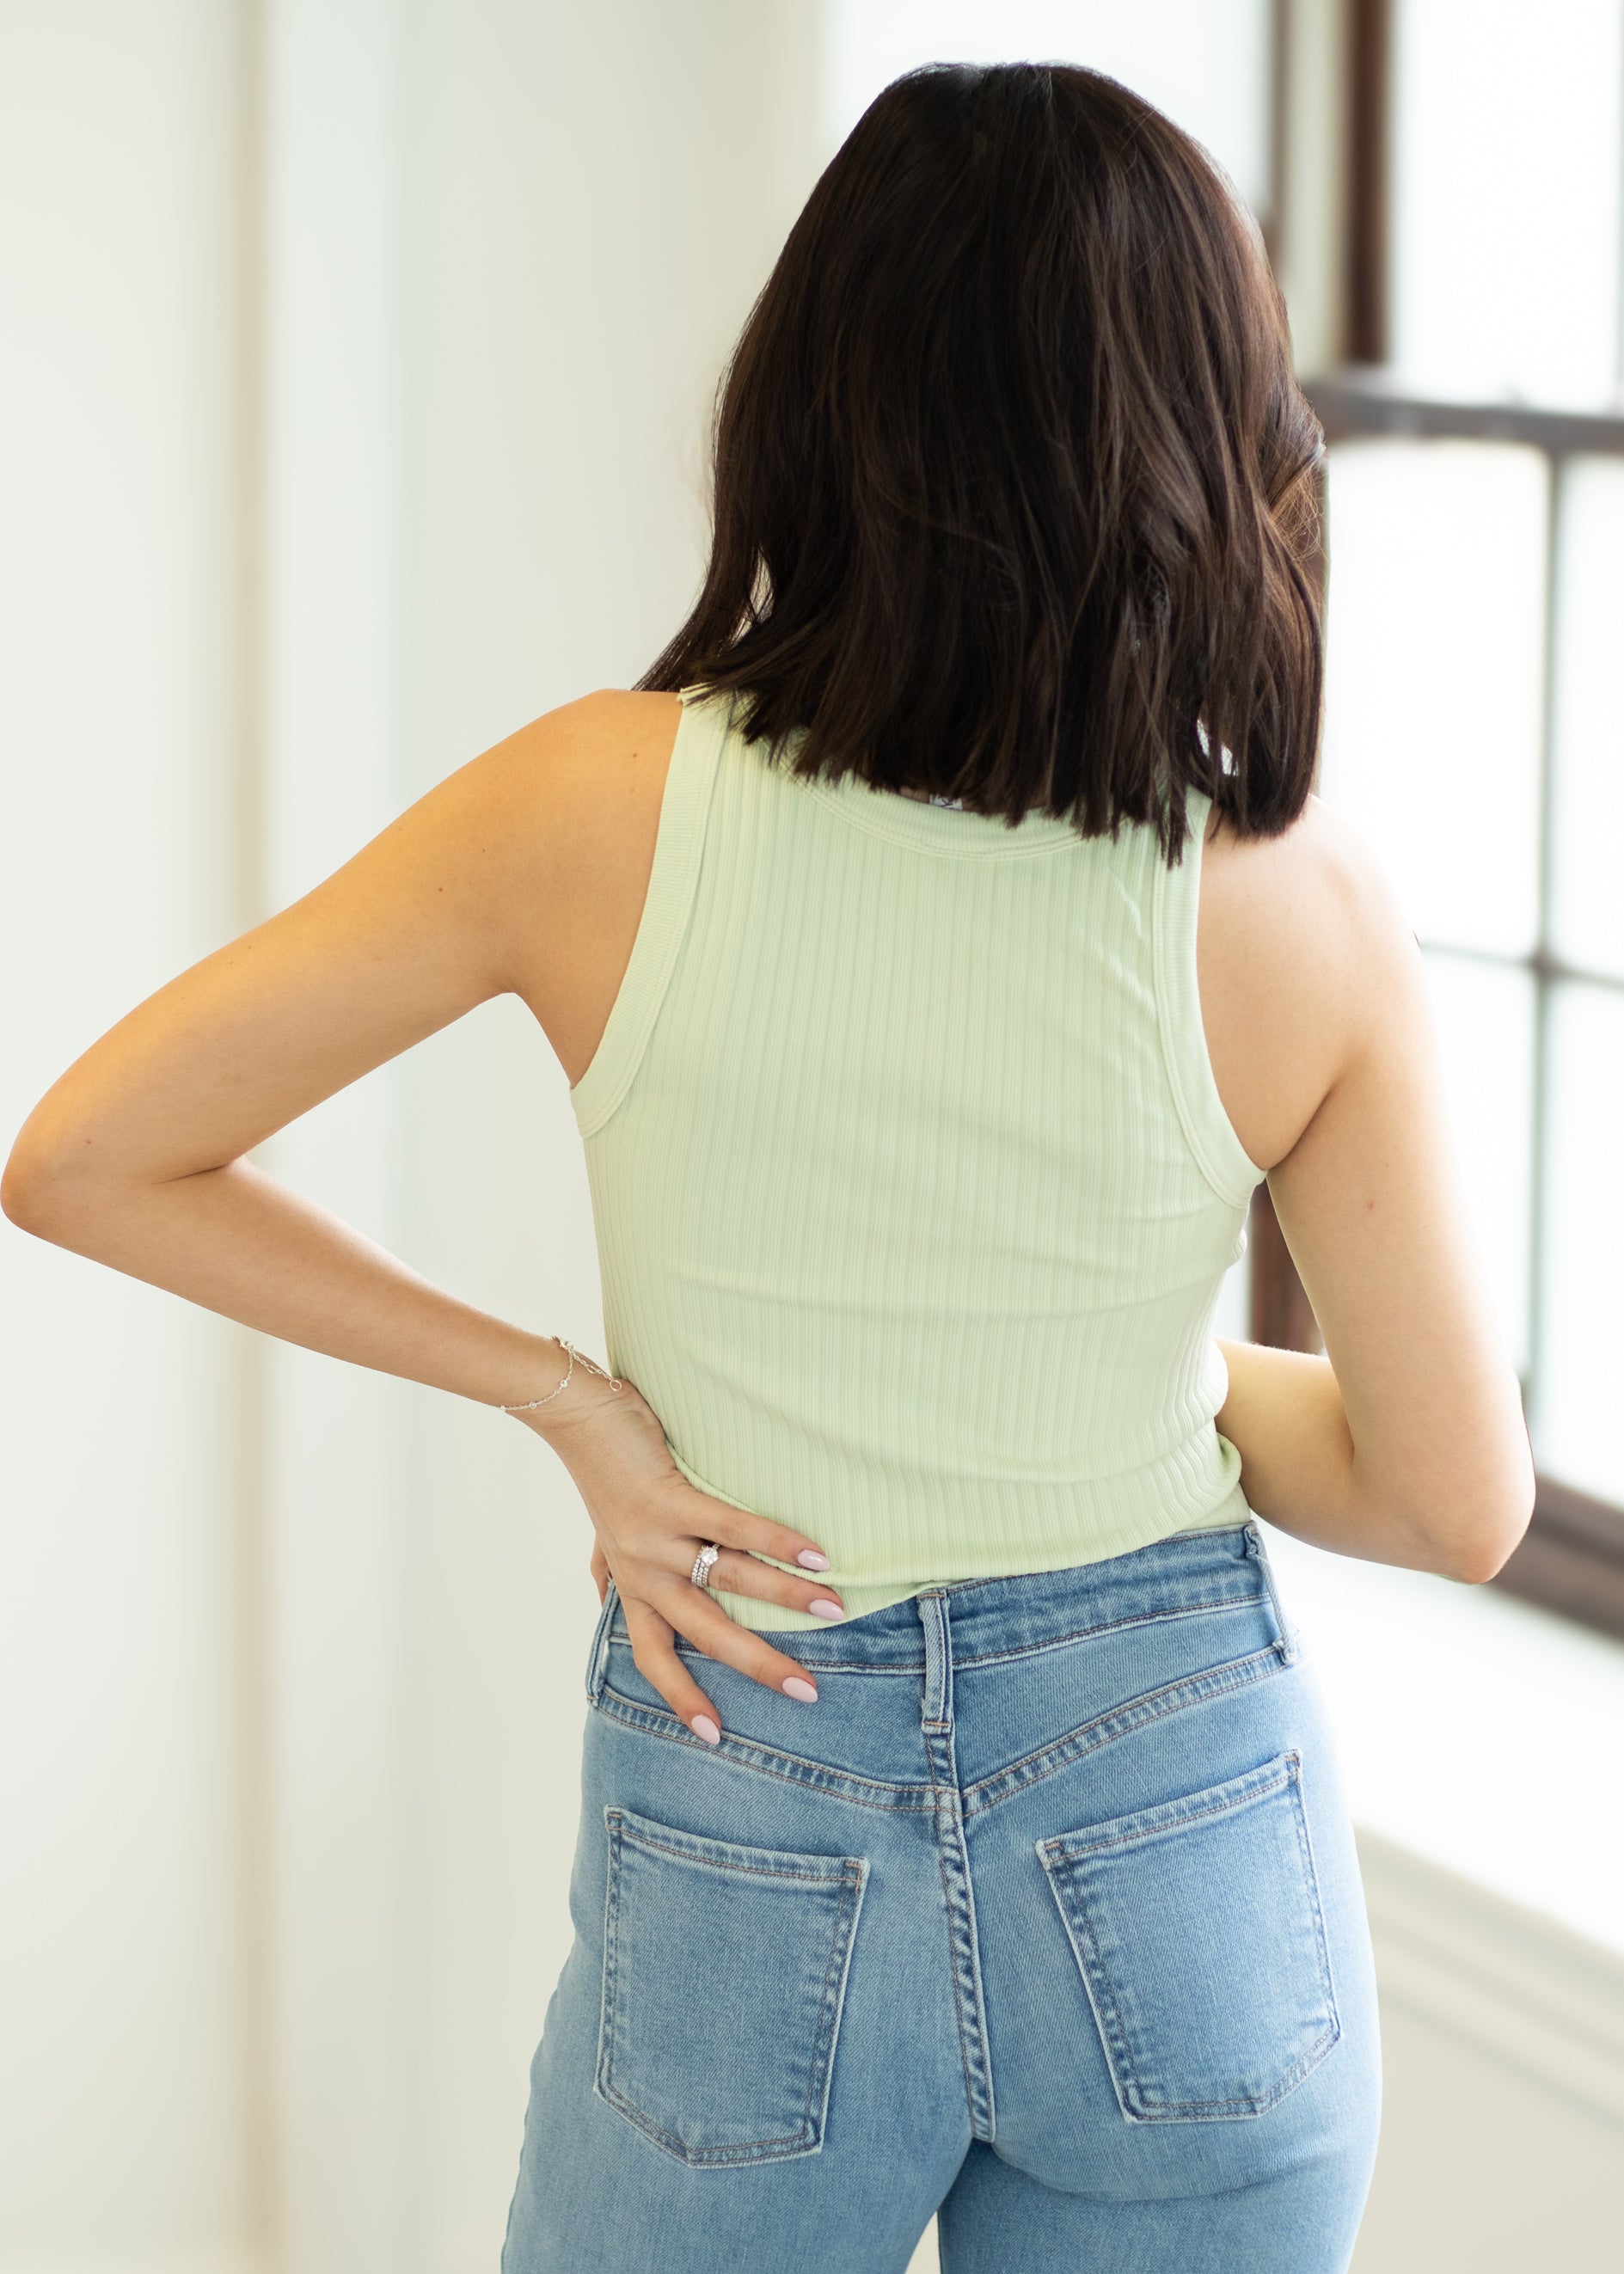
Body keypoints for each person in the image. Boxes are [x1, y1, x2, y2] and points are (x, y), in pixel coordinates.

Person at [3, 59, 1532, 2274]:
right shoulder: (1292, 901)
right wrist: (1144, 1376)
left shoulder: (585, 809)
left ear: (816, 398)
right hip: (1181, 1827)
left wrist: (574, 1403)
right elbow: (1448, 1496)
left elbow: (86, 1155)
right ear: (1208, 423)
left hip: (759, 1766)